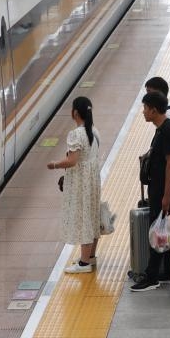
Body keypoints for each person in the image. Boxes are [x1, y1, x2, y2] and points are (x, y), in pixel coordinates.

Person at [130, 92, 170, 291]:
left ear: (153, 109)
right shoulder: (161, 129)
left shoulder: (169, 130)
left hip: (163, 190)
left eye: (145, 108)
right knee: (164, 229)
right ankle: (167, 271)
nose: (143, 112)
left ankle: (151, 276)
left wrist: (167, 195)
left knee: (158, 230)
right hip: (159, 187)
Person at [47, 96, 102, 274]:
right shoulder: (94, 131)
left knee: (83, 217)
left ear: (75, 113)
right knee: (91, 214)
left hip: (81, 183)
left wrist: (55, 164)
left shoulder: (76, 134)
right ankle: (90, 256)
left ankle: (84, 263)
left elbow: (72, 161)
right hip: (92, 180)